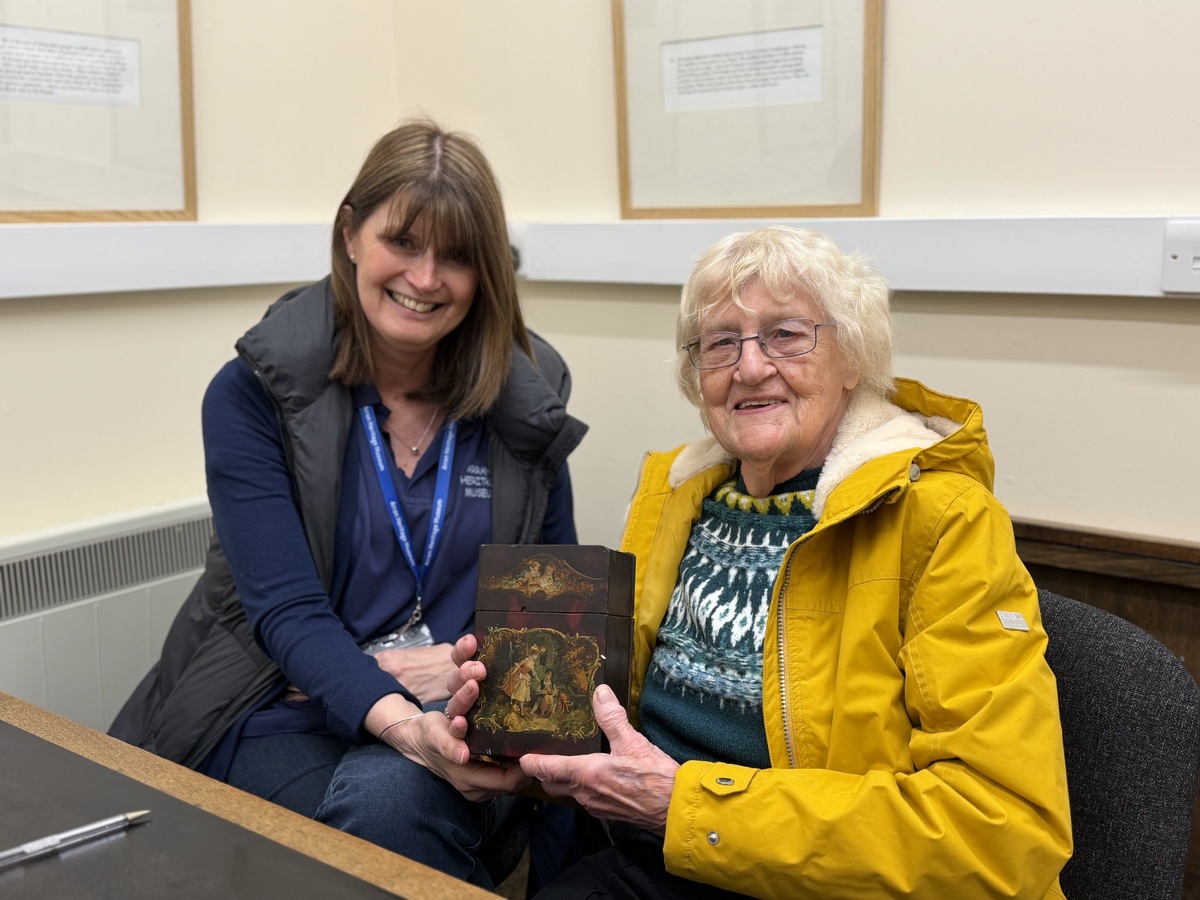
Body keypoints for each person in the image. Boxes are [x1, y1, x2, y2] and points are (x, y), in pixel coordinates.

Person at [461, 226, 1071, 898]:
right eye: (721, 343)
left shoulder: (946, 522)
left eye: (787, 335)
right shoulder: (676, 498)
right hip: (649, 856)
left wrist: (686, 807)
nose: (750, 367)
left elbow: (1002, 831)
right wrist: (508, 723)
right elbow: (614, 719)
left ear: (853, 360)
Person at [109, 117, 588, 890]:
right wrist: (403, 712)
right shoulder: (253, 395)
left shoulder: (521, 404)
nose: (426, 278)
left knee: (564, 769)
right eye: (403, 242)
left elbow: (553, 613)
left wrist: (459, 675)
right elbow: (287, 614)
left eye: (459, 256)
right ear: (350, 235)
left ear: (488, 272)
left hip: (465, 708)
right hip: (278, 707)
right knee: (395, 799)